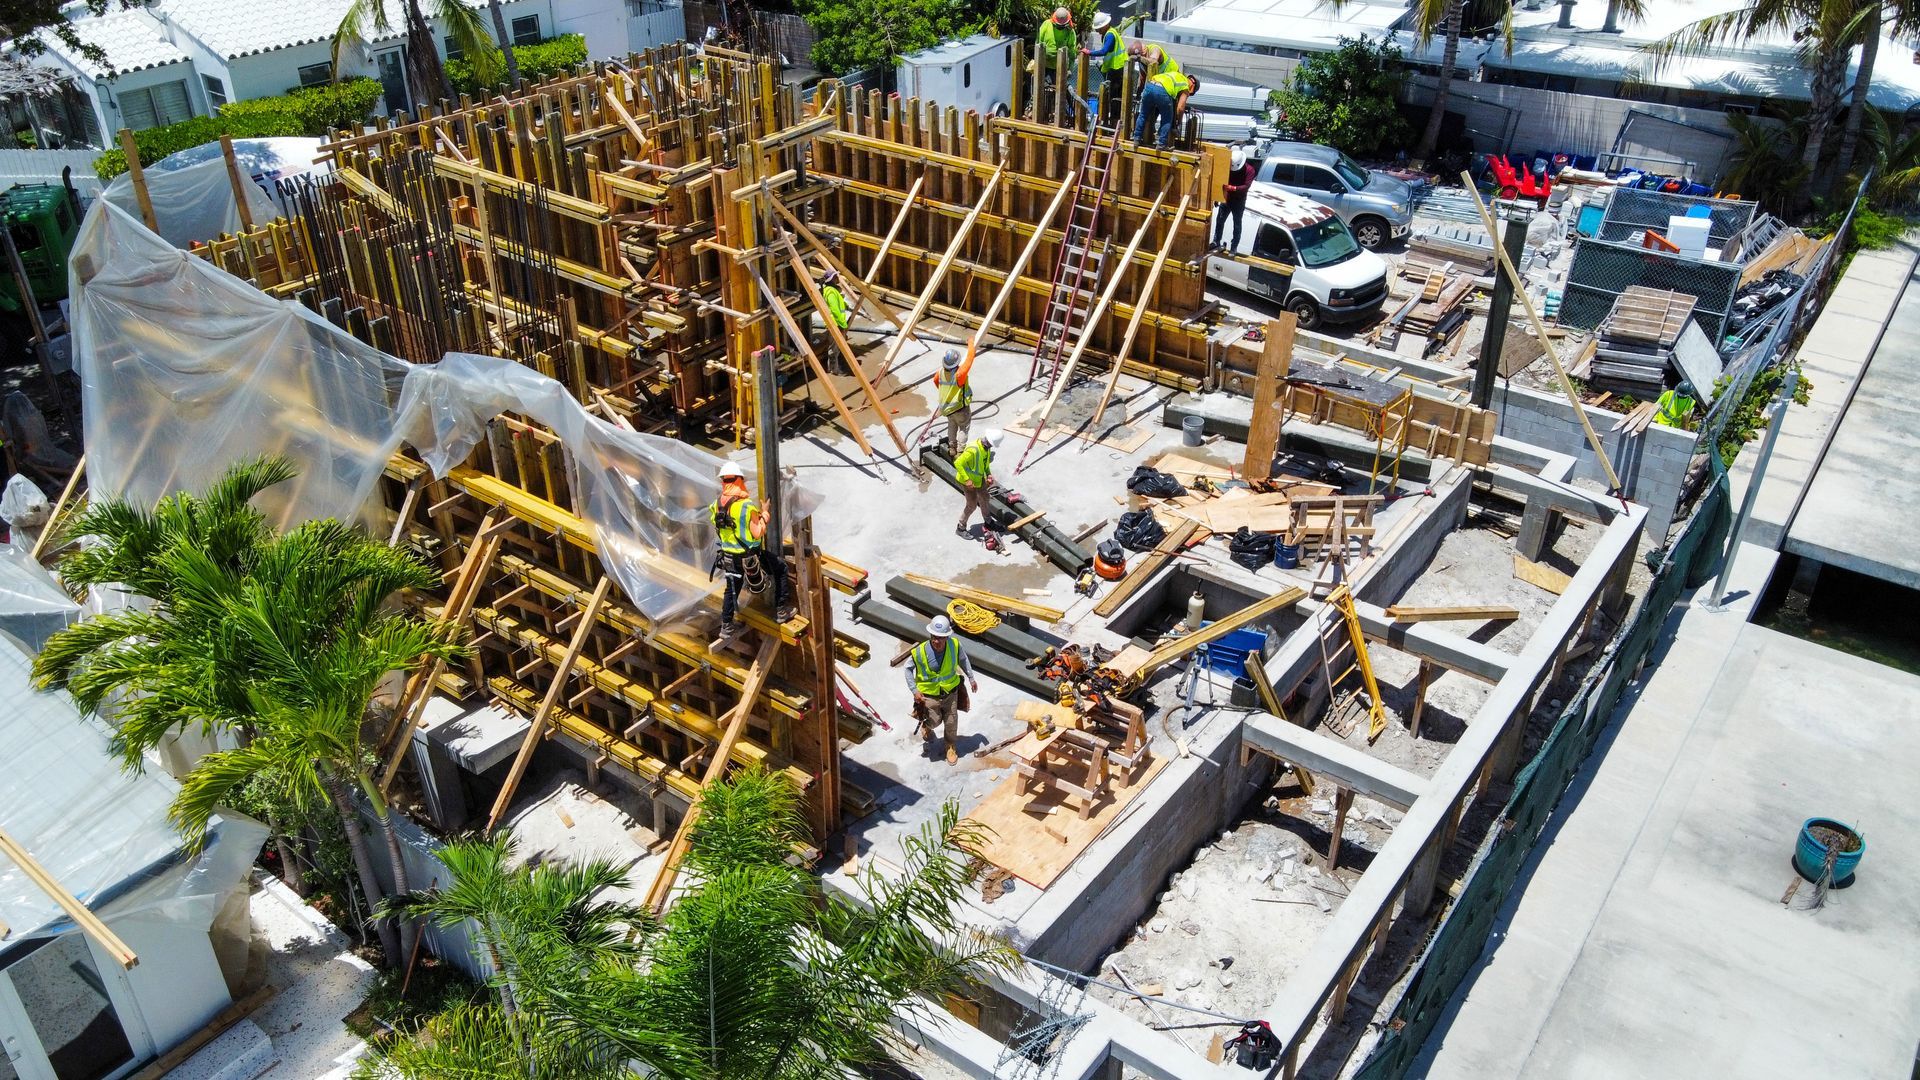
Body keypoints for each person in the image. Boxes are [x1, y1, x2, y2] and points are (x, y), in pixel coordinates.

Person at [710, 462, 793, 641]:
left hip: (728, 556)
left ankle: (726, 626)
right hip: (749, 556)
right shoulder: (746, 506)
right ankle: (781, 610)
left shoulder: (716, 504)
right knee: (780, 569)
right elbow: (757, 532)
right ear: (739, 480)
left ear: (723, 481)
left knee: (732, 588)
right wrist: (764, 513)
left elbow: (716, 523)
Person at [905, 615, 977, 764]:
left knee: (951, 721)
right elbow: (907, 668)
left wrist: (971, 678)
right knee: (934, 721)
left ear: (947, 637)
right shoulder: (920, 652)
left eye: (941, 637)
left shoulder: (955, 645)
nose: (937, 641)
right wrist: (914, 690)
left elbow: (963, 660)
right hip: (929, 695)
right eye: (934, 637)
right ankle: (926, 725)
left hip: (950, 693)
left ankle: (950, 746)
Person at [953, 429, 1001, 539]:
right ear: (989, 441)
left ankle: (988, 522)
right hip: (967, 482)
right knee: (972, 505)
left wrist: (988, 474)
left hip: (979, 480)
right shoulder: (973, 450)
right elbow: (958, 463)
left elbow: (985, 464)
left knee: (985, 498)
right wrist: (967, 480)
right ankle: (960, 528)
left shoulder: (986, 448)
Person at [1134, 70, 1198, 149]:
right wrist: (1179, 122)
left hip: (1150, 86)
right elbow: (1180, 108)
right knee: (1167, 119)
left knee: (1143, 114)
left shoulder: (1177, 75)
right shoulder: (1185, 86)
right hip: (1162, 91)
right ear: (1192, 87)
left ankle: (1136, 139)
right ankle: (1161, 144)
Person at [1081, 12, 1127, 121]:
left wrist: (1089, 52)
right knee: (1112, 96)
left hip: (1117, 69)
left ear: (1105, 25)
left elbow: (1104, 51)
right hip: (1116, 68)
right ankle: (1112, 120)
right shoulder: (1109, 33)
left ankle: (1113, 121)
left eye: (1099, 28)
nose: (1097, 31)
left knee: (1114, 97)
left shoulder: (1110, 34)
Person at [932, 345, 975, 454]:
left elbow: (936, 381)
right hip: (960, 408)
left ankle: (952, 448)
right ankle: (960, 450)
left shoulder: (940, 372)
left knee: (952, 425)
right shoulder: (959, 374)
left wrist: (947, 394)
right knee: (963, 428)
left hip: (947, 408)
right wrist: (971, 342)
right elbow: (970, 359)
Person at [1213, 146, 1256, 250]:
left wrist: (1233, 188)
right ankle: (1216, 242)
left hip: (1239, 201)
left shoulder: (1250, 170)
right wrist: (1217, 197)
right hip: (1226, 198)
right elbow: (1221, 181)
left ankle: (1234, 247)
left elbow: (1246, 187)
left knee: (1237, 224)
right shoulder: (1228, 167)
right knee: (1219, 221)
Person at [1035, 7, 1077, 85]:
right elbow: (1038, 43)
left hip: (1061, 68)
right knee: (1045, 90)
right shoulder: (1046, 24)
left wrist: (1070, 69)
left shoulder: (1070, 31)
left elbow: (1072, 51)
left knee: (1058, 91)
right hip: (1045, 66)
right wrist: (1038, 63)